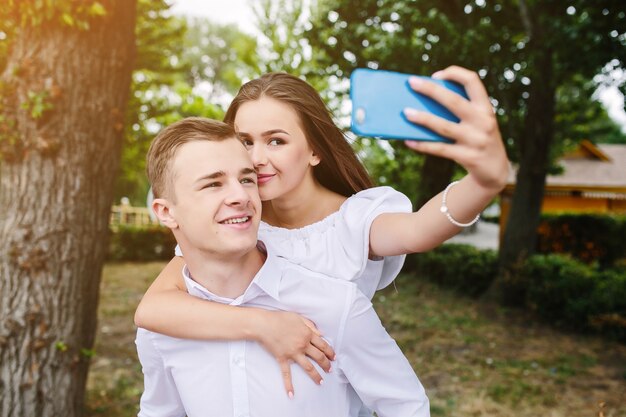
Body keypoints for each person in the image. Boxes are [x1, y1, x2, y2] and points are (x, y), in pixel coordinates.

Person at [135, 66, 509, 397]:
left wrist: (484, 182)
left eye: (276, 141)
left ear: (314, 151)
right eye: (245, 141)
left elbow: (419, 230)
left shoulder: (352, 221)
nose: (255, 158)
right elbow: (155, 308)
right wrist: (263, 325)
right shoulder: (236, 225)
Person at [137, 117, 430, 416]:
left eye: (247, 179)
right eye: (213, 184)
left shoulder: (334, 307)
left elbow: (407, 408)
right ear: (165, 212)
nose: (241, 196)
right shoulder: (160, 331)